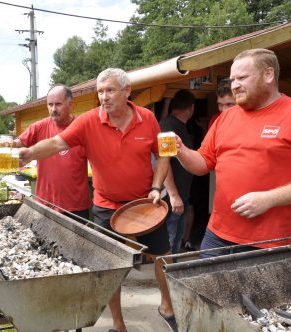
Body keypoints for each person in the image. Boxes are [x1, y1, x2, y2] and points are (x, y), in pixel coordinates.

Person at [20, 68, 177, 332]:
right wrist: (28, 153)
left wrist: (156, 186)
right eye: (100, 92)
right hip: (107, 207)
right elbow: (56, 144)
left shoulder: (148, 118)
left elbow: (163, 154)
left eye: (110, 90)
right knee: (110, 267)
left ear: (127, 91)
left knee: (163, 256)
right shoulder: (89, 121)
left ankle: (167, 307)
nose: (104, 97)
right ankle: (118, 324)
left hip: (145, 204)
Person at [175, 48, 291, 258]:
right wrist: (180, 150)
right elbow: (202, 163)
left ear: (268, 74)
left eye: (242, 78)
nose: (234, 85)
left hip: (272, 242)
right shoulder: (225, 118)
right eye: (232, 79)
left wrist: (269, 199)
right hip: (218, 234)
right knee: (206, 291)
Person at [13, 85, 91, 220]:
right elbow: (18, 142)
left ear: (70, 105)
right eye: (50, 105)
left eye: (58, 104)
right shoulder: (39, 127)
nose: (53, 109)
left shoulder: (83, 128)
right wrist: (9, 144)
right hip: (44, 202)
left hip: (75, 206)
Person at [159, 89, 195, 259]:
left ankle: (171, 273)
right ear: (191, 108)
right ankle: (166, 278)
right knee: (170, 239)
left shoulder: (176, 126)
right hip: (172, 197)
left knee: (176, 240)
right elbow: (163, 162)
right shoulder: (169, 127)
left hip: (182, 194)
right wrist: (174, 195)